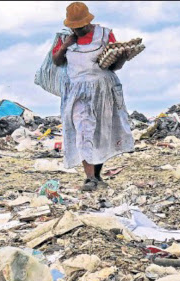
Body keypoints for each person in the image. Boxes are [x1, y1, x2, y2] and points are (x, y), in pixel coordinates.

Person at [52, 2, 134, 191]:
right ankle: (89, 178)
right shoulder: (64, 38)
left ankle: (97, 176)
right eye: (75, 27)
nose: (78, 30)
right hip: (78, 91)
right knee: (83, 130)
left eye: (81, 26)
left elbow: (114, 65)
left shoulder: (105, 34)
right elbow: (56, 61)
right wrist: (65, 45)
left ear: (89, 21)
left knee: (101, 133)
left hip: (104, 90)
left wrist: (122, 57)